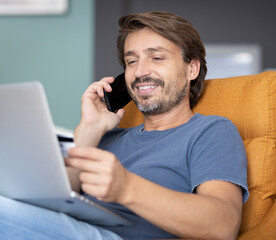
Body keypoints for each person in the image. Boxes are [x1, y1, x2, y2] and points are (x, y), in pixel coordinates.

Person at [0, 11, 248, 240]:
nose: (140, 72)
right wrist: (90, 128)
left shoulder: (210, 131)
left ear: (191, 68)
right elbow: (53, 198)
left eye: (157, 57)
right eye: (131, 62)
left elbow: (223, 225)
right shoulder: (109, 137)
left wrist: (126, 188)